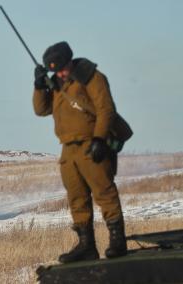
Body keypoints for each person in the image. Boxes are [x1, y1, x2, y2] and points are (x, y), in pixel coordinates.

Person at [32, 41, 127, 263]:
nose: (61, 73)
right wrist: (38, 87)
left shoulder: (91, 77)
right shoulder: (57, 84)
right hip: (68, 149)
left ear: (70, 61)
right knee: (77, 198)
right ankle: (86, 246)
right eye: (56, 70)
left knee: (104, 192)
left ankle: (117, 241)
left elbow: (106, 109)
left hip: (90, 144)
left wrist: (99, 139)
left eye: (63, 68)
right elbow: (41, 109)